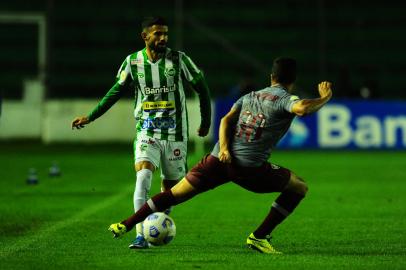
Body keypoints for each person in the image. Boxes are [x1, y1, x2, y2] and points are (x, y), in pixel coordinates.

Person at [108, 57, 332, 254]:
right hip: (249, 169)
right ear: (292, 79)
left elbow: (225, 120)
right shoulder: (285, 99)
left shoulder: (250, 95)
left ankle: (125, 224)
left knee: (174, 194)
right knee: (299, 187)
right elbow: (302, 109)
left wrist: (224, 149)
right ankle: (259, 236)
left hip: (217, 160)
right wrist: (324, 98)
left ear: (271, 76)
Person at [71, 16, 211, 249]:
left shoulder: (179, 60)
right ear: (145, 36)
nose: (163, 38)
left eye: (165, 33)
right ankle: (140, 234)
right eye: (157, 34)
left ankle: (157, 219)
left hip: (176, 134)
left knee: (172, 191)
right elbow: (115, 91)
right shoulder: (133, 62)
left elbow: (202, 88)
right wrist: (91, 116)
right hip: (147, 130)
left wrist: (205, 121)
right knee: (143, 176)